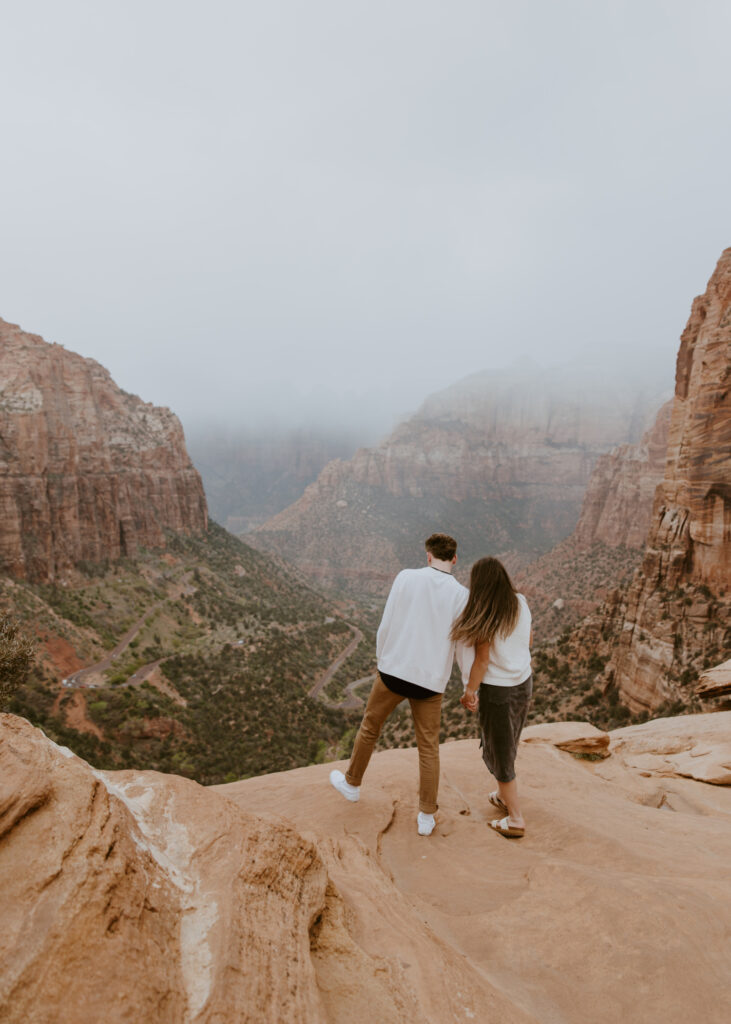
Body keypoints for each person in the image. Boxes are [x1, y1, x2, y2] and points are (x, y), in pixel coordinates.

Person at [329, 533, 469, 836]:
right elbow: (462, 645)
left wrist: (383, 658)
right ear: (454, 559)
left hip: (394, 672)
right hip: (430, 683)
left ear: (428, 555)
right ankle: (426, 816)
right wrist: (469, 684)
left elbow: (387, 621)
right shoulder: (462, 595)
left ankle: (352, 784)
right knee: (429, 748)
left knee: (370, 727)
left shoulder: (406, 577)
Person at [454, 556, 532, 839]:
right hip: (523, 684)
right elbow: (528, 640)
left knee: (500, 751)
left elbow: (482, 661)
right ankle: (502, 797)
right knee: (508, 741)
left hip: (498, 691)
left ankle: (515, 819)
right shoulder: (520, 602)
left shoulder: (486, 614)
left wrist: (469, 692)